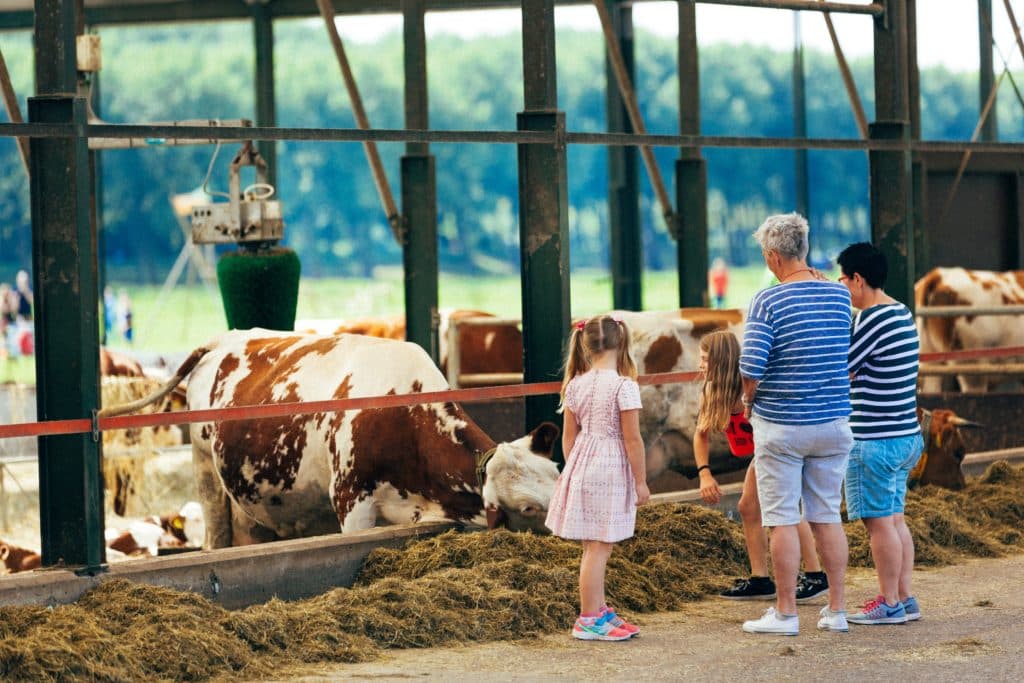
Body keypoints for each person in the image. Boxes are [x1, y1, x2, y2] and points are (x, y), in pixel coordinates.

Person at [738, 212, 854, 636]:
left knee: (782, 518)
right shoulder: (840, 296)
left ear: (773, 257)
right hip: (834, 422)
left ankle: (786, 614)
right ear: (803, 250)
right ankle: (837, 611)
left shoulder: (767, 300)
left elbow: (751, 366)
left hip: (783, 426)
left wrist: (748, 400)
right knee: (826, 516)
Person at [695, 330, 830, 604]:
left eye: (704, 359)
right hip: (763, 453)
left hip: (780, 448)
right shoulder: (711, 391)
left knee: (784, 508)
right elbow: (701, 433)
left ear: (720, 361)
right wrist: (704, 473)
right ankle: (761, 579)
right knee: (749, 506)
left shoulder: (751, 388)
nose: (700, 365)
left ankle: (815, 575)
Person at [545, 314, 650, 641]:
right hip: (609, 467)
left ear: (587, 345)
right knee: (599, 547)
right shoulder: (624, 386)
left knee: (595, 544)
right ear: (621, 343)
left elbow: (568, 439)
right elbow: (633, 439)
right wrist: (641, 481)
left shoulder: (575, 384)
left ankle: (600, 609)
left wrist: (575, 469)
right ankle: (588, 618)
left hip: (584, 463)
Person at [837, 242, 923, 625]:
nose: (842, 288)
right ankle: (904, 597)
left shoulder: (870, 319)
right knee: (895, 519)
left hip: (875, 440)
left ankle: (888, 602)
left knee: (878, 525)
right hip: (905, 435)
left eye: (843, 279)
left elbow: (843, 368)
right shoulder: (901, 311)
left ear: (858, 279)